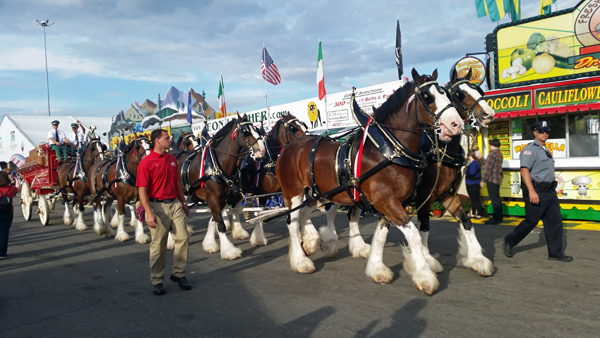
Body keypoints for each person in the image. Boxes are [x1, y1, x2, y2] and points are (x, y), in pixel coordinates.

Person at [503, 121, 573, 262]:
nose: (545, 133)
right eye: (541, 130)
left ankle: (555, 253)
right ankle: (510, 240)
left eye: (547, 130)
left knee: (555, 222)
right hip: (536, 191)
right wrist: (532, 191)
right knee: (531, 221)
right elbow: (524, 170)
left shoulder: (545, 149)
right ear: (535, 132)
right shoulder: (529, 149)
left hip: (550, 192)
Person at [137, 129, 191, 295]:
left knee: (183, 237)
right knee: (158, 245)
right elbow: (142, 191)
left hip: (174, 204)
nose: (170, 140)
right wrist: (149, 213)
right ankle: (157, 279)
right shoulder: (146, 162)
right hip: (157, 207)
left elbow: (177, 183)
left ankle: (178, 274)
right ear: (157, 141)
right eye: (167, 138)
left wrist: (183, 202)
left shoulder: (171, 159)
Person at [482, 138, 504, 225]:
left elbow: (488, 168)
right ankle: (499, 217)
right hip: (497, 179)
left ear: (491, 145)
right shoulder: (499, 154)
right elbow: (489, 164)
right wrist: (481, 158)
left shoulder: (491, 154)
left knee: (494, 199)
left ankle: (496, 218)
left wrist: (483, 180)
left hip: (491, 179)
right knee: (497, 198)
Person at [0, 171, 20, 259]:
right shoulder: (11, 188)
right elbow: (18, 188)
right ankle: (2, 253)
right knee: (4, 233)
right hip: (7, 211)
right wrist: (17, 180)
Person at [465, 147, 484, 219]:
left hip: (474, 183)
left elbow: (471, 172)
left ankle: (479, 213)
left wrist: (465, 169)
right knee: (472, 199)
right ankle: (473, 213)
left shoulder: (475, 163)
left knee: (476, 198)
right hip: (469, 183)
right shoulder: (471, 163)